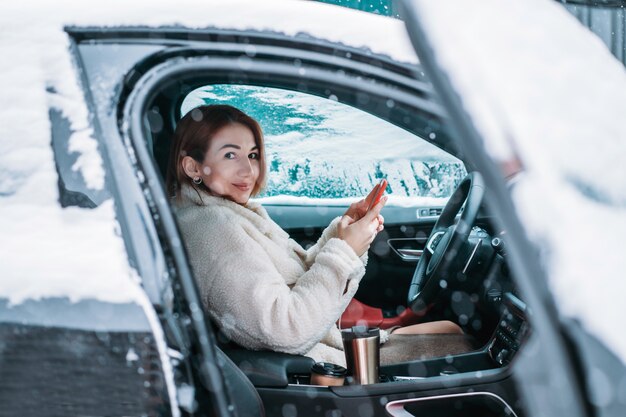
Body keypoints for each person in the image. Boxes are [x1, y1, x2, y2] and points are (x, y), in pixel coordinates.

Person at [166, 104, 462, 366]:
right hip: (319, 367)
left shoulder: (226, 212)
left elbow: (296, 278)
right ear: (192, 166)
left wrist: (343, 236)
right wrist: (343, 252)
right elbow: (286, 331)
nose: (248, 169)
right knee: (465, 348)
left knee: (451, 329)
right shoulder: (215, 230)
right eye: (231, 154)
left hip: (321, 349)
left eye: (253, 155)